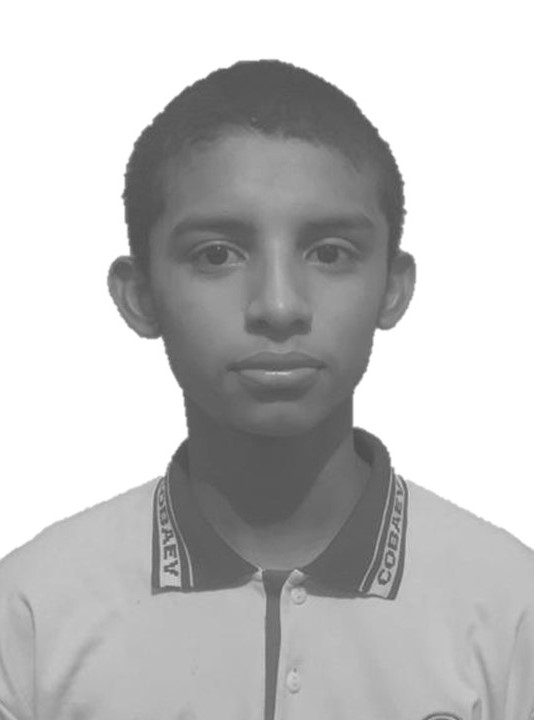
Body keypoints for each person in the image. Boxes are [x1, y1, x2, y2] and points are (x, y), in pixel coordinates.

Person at [0, 59, 533, 720]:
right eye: (217, 254)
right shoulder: (31, 616)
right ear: (140, 296)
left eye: (330, 252)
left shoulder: (511, 612)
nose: (279, 306)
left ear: (393, 288)